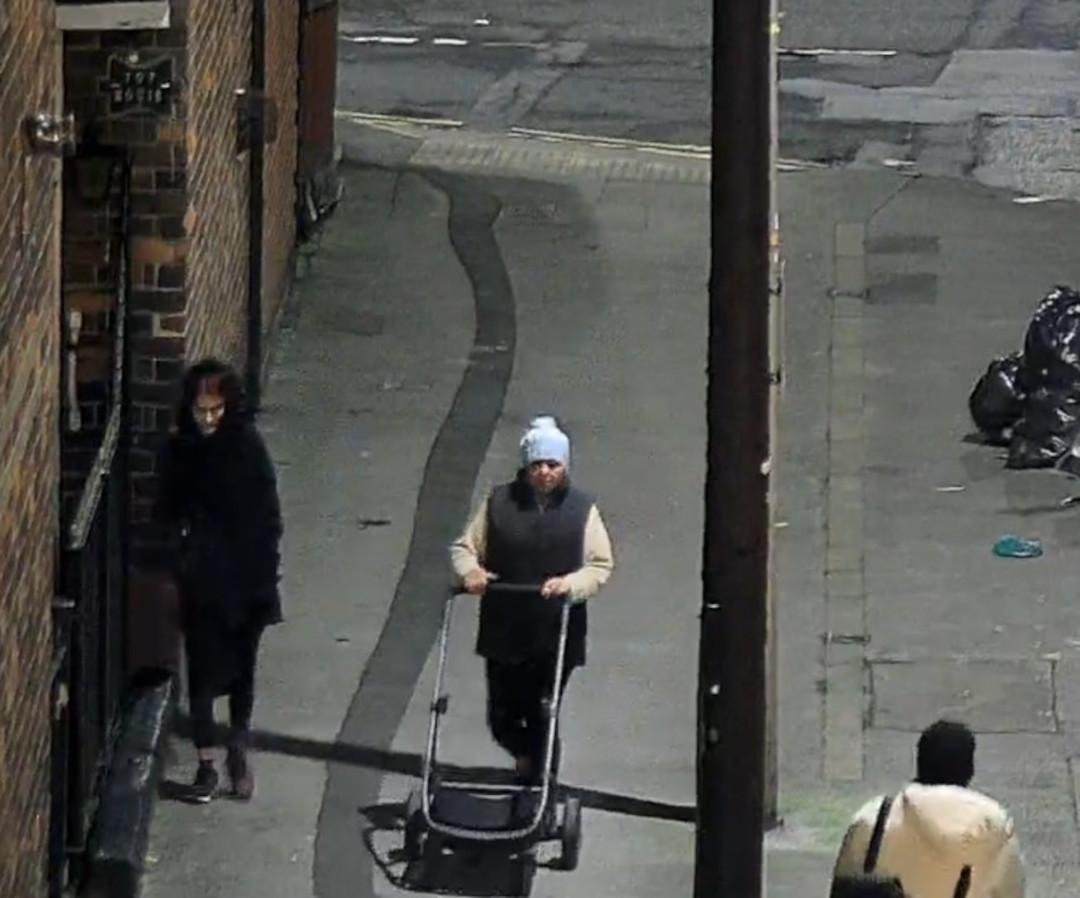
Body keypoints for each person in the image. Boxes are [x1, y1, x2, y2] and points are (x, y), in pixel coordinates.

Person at [450, 415, 614, 782]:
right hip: (504, 626)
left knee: (543, 708)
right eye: (537, 465)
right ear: (525, 467)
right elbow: (466, 548)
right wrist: (472, 573)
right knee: (502, 716)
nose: (544, 473)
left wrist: (570, 584)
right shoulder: (499, 503)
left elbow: (599, 565)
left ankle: (541, 781)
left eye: (552, 465)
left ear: (564, 466)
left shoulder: (582, 511)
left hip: (555, 629)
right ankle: (524, 755)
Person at [157, 359, 283, 802]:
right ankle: (207, 762)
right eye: (201, 410)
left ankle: (237, 750)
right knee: (204, 673)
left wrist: (264, 572)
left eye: (216, 410)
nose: (208, 419)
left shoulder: (246, 447)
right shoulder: (180, 453)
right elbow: (167, 511)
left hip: (246, 578)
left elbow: (268, 514)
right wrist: (183, 554)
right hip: (204, 580)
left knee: (242, 670)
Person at [831, 720, 1025, 898]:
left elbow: (841, 888)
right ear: (969, 770)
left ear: (919, 761)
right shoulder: (994, 832)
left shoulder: (875, 818)